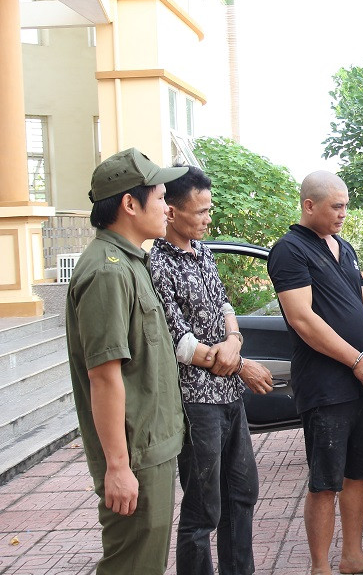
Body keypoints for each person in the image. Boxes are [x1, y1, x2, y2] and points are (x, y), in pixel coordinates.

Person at [267, 171, 363, 575]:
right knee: (326, 481)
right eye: (336, 206)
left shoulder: (345, 247)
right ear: (309, 206)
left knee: (360, 473)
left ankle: (352, 556)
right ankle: (320, 566)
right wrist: (356, 360)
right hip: (326, 385)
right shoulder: (290, 250)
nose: (344, 213)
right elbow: (302, 319)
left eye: (346, 205)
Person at [65, 148, 188, 574]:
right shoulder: (108, 272)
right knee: (133, 565)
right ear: (130, 204)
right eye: (161, 198)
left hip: (149, 448)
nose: (168, 208)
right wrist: (118, 466)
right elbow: (103, 376)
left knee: (146, 562)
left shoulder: (130, 263)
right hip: (135, 455)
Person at [148, 165, 274, 575]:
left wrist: (234, 341)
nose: (207, 218)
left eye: (209, 209)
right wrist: (240, 363)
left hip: (228, 395)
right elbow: (181, 345)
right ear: (171, 212)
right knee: (204, 508)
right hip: (196, 400)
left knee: (242, 492)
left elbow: (224, 305)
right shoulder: (158, 265)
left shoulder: (202, 251)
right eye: (200, 211)